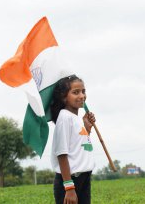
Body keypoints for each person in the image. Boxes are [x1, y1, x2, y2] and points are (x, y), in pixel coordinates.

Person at [50, 75, 96, 204]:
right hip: (70, 181)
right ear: (64, 97)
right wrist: (69, 188)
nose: (81, 96)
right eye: (75, 92)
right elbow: (61, 154)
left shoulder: (76, 118)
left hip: (84, 177)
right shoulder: (64, 118)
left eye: (83, 91)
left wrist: (87, 128)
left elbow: (80, 145)